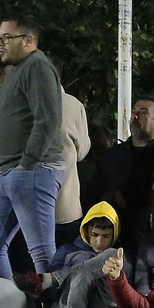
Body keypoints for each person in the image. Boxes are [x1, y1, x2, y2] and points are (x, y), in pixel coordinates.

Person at [0, 14, 65, 279]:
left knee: (42, 253)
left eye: (7, 37)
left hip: (32, 171)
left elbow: (48, 119)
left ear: (29, 40)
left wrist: (26, 162)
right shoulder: (20, 69)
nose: (1, 43)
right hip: (8, 172)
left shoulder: (37, 66)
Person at [44, 202, 124, 308]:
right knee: (81, 275)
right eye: (95, 235)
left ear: (114, 234)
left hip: (102, 307)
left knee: (113, 255)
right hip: (68, 305)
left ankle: (51, 278)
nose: (99, 242)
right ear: (86, 231)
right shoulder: (68, 251)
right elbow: (50, 294)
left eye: (105, 236)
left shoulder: (120, 255)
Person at [99, 98, 154, 252]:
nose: (135, 117)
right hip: (112, 240)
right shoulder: (113, 155)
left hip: (153, 243)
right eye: (133, 112)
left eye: (143, 113)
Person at [56, 90, 93, 246]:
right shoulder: (73, 104)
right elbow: (82, 151)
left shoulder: (16, 104)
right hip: (65, 203)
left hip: (26, 208)